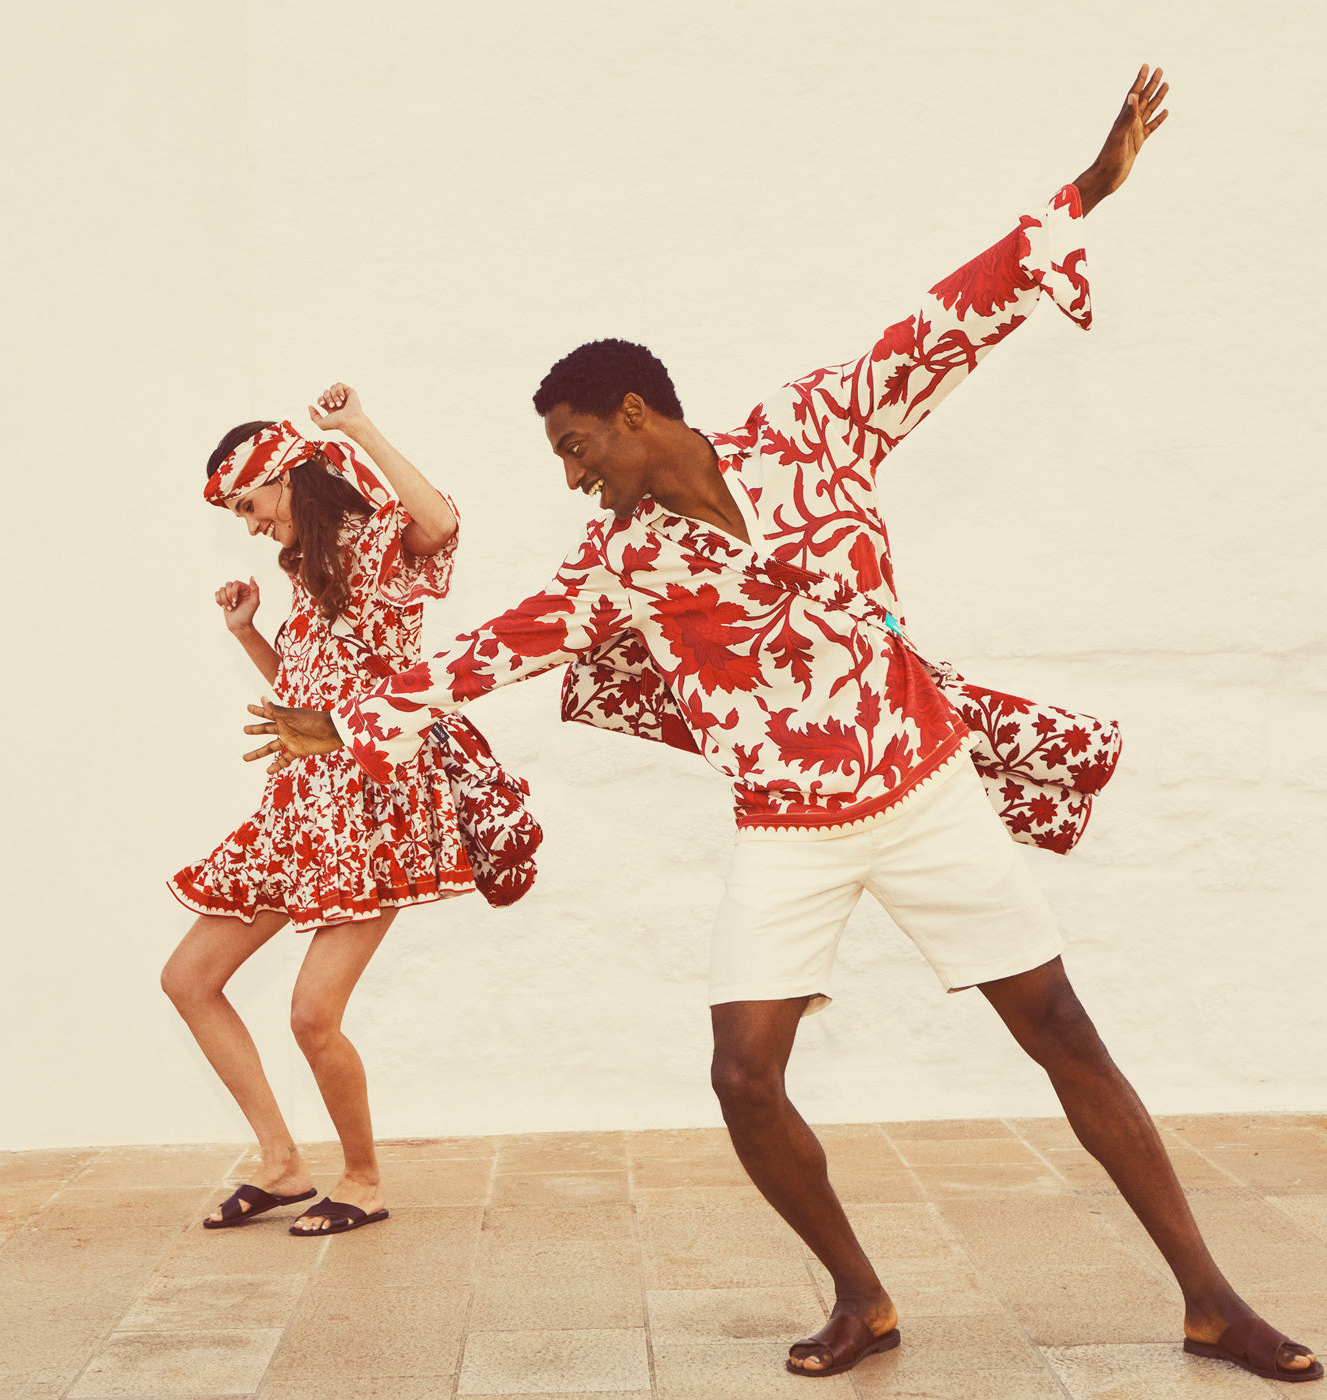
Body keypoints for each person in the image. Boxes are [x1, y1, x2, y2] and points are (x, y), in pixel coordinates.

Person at [240, 71, 1321, 1381]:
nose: (576, 476)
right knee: (743, 1077)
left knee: (1062, 1032)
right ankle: (861, 1298)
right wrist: (344, 714)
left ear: (637, 415)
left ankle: (1211, 1299)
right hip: (789, 831)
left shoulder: (814, 430)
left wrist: (1088, 188)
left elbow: (947, 321)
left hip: (925, 796)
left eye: (580, 447)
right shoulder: (627, 565)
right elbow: (486, 651)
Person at [165, 384, 536, 1237]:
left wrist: (358, 426)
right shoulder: (306, 574)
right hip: (300, 808)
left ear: (287, 477)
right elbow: (305, 713)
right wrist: (251, 634)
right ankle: (282, 1163)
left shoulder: (374, 547)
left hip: (379, 808)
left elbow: (440, 525)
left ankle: (363, 1181)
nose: (250, 527)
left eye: (249, 506)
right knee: (188, 979)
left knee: (310, 1014)